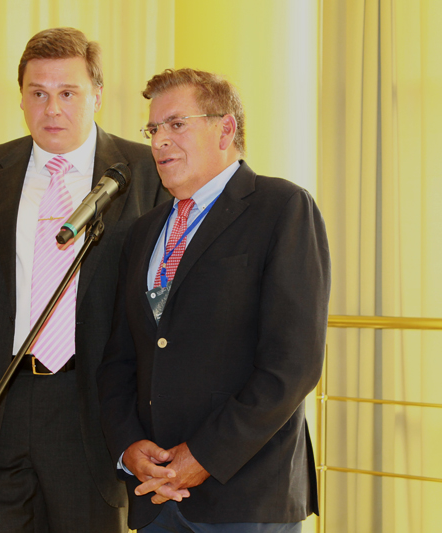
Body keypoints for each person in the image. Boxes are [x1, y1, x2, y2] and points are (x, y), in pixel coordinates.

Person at [0, 27, 167, 533]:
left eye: (68, 93)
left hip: (92, 408)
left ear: (97, 95)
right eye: (38, 93)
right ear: (21, 99)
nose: (52, 109)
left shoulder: (144, 172)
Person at [97, 68, 331, 532]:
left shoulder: (281, 207)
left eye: (176, 124)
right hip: (156, 495)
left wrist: (204, 455)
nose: (159, 141)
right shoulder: (143, 231)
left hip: (245, 496)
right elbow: (121, 358)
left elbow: (293, 364)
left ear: (225, 129)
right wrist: (128, 446)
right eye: (153, 129)